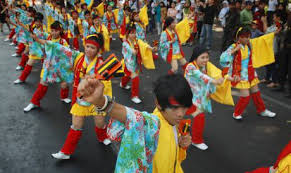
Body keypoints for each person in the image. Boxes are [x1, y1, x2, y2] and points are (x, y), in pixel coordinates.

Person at [77, 74, 192, 172]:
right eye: (175, 108)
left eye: (185, 107)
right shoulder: (154, 125)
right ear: (158, 103)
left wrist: (181, 145)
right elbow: (132, 117)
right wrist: (101, 102)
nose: (181, 114)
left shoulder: (173, 121)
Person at [28, 33, 113, 159]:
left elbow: (106, 84)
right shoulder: (78, 57)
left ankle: (102, 136)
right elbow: (59, 48)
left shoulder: (103, 64)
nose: (89, 50)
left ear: (98, 50)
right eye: (87, 46)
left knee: (100, 123)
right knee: (76, 125)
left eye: (92, 48)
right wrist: (40, 40)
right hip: (81, 97)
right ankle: (66, 152)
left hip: (96, 97)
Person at [220, 27, 276, 120]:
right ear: (238, 38)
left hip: (251, 72)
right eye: (245, 36)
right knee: (245, 96)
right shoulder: (234, 46)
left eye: (249, 36)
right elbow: (223, 58)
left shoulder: (249, 44)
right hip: (241, 75)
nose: (247, 38)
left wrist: (274, 34)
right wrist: (234, 51)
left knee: (256, 93)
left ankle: (262, 110)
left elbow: (260, 41)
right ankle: (236, 113)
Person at [185, 45, 225, 150]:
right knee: (198, 116)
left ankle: (183, 130)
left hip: (198, 96)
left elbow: (214, 74)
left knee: (193, 115)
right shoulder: (190, 67)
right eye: (202, 57)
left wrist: (225, 77)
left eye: (207, 57)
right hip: (189, 96)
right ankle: (196, 140)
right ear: (195, 57)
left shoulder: (203, 66)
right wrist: (214, 81)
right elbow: (201, 76)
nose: (205, 60)